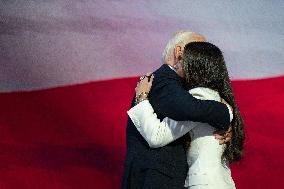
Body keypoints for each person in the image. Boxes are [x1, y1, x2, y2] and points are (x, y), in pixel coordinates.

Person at [121, 31, 233, 189]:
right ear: (179, 52)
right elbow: (190, 108)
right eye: (197, 49)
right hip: (156, 178)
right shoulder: (163, 80)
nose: (202, 56)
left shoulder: (183, 87)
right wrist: (225, 112)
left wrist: (224, 125)